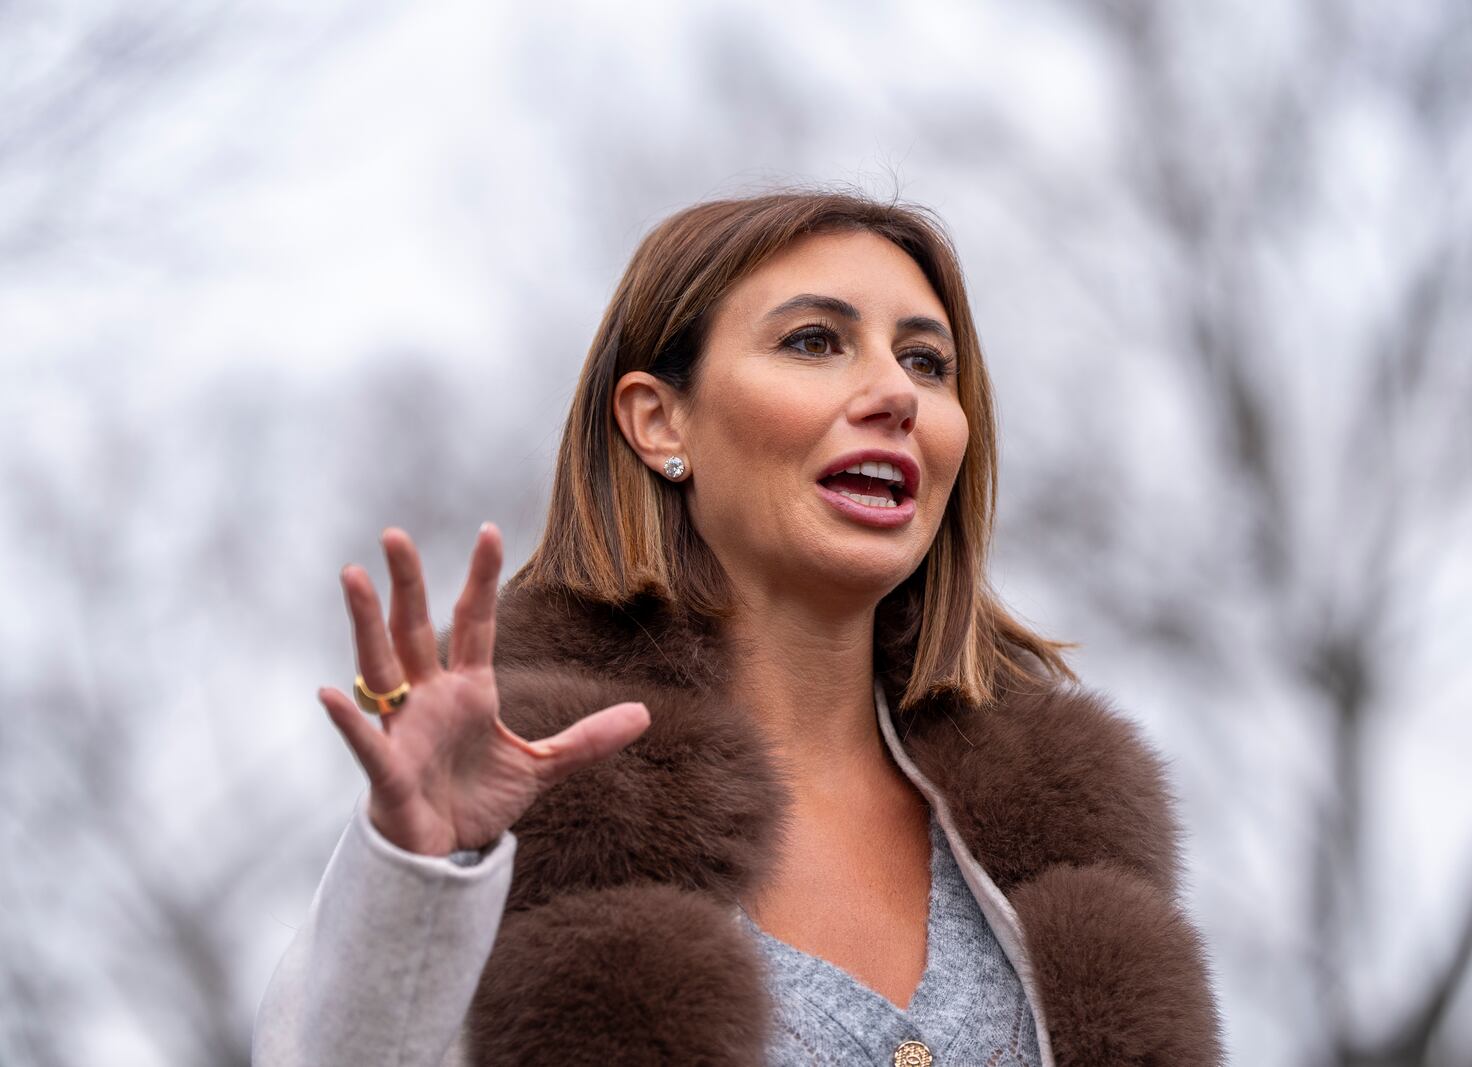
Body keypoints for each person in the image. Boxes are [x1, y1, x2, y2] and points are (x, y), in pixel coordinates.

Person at [251, 190, 1225, 1067]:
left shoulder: (1064, 844)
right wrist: (423, 874)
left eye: (926, 361)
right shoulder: (519, 792)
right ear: (658, 423)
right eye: (814, 341)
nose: (895, 393)